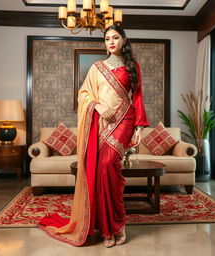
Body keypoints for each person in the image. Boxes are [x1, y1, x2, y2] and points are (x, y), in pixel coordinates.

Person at [38, 24, 149, 248]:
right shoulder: (98, 68)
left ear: (124, 40)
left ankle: (119, 225)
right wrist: (97, 106)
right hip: (101, 124)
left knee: (109, 165)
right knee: (100, 171)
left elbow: (137, 98)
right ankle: (107, 229)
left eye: (115, 37)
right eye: (107, 38)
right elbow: (84, 94)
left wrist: (139, 127)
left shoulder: (132, 67)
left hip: (124, 121)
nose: (111, 41)